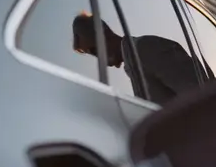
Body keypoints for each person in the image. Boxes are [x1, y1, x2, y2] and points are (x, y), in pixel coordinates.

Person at [71, 13, 203, 104]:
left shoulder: (147, 49)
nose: (101, 60)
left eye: (95, 50)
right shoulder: (134, 63)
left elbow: (202, 98)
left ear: (103, 31)